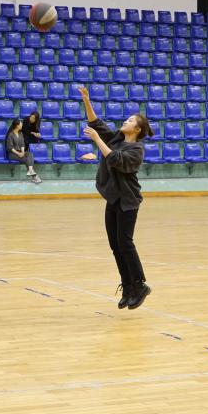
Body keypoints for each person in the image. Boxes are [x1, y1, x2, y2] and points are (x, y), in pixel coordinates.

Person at [78, 85, 153, 310]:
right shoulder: (116, 139)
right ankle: (128, 286)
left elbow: (115, 160)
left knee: (125, 243)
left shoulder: (136, 150)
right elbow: (96, 123)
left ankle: (140, 284)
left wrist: (97, 140)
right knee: (115, 245)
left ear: (137, 129)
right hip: (113, 199)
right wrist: (86, 100)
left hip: (128, 200)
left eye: (130, 121)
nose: (125, 121)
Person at [4, 118, 42, 183]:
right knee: (27, 159)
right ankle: (34, 177)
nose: (22, 125)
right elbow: (10, 147)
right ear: (17, 125)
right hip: (13, 154)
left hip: (20, 152)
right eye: (21, 124)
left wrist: (23, 152)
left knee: (30, 154)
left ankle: (30, 171)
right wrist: (18, 153)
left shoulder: (20, 133)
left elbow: (22, 144)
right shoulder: (10, 135)